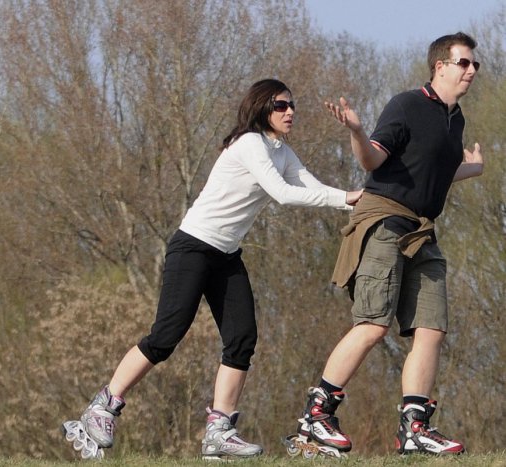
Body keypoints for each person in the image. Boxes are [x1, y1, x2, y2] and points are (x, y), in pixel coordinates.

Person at [61, 78, 363, 460]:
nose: (289, 112)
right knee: (166, 335)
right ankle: (103, 406)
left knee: (242, 339)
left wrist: (358, 202)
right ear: (260, 110)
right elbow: (285, 195)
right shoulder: (251, 144)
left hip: (225, 255)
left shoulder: (281, 151)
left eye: (292, 106)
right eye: (280, 106)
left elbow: (312, 187)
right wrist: (348, 198)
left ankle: (220, 430)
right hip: (192, 248)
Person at [290, 32, 484, 458]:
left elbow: (432, 174)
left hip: (421, 230)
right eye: (464, 63)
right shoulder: (407, 104)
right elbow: (372, 161)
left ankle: (414, 428)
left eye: (474, 65)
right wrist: (357, 130)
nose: (472, 70)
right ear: (440, 66)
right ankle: (317, 414)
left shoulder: (457, 120)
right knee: (373, 324)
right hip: (384, 220)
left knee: (431, 329)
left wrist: (472, 169)